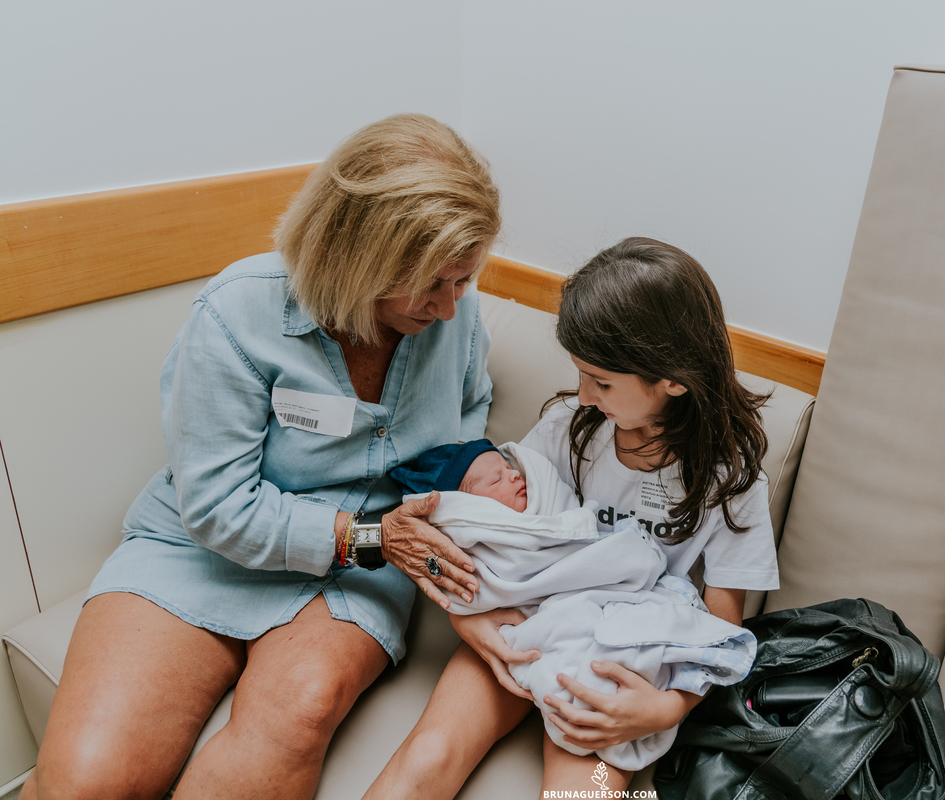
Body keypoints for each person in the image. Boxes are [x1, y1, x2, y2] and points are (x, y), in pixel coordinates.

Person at [22, 114, 500, 800]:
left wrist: (456, 491)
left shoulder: (453, 309)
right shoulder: (233, 314)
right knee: (81, 783)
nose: (452, 308)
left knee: (296, 715)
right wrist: (368, 537)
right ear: (359, 256)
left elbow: (470, 406)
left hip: (362, 567)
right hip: (213, 546)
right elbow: (217, 509)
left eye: (464, 279)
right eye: (435, 285)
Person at [364, 237, 777, 798]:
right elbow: (493, 537)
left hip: (619, 659)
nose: (583, 395)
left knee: (590, 790)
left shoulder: (732, 484)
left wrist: (661, 709)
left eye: (602, 382)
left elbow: (722, 628)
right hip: (525, 625)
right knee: (429, 757)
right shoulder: (568, 428)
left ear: (673, 379)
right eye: (581, 374)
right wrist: (472, 623)